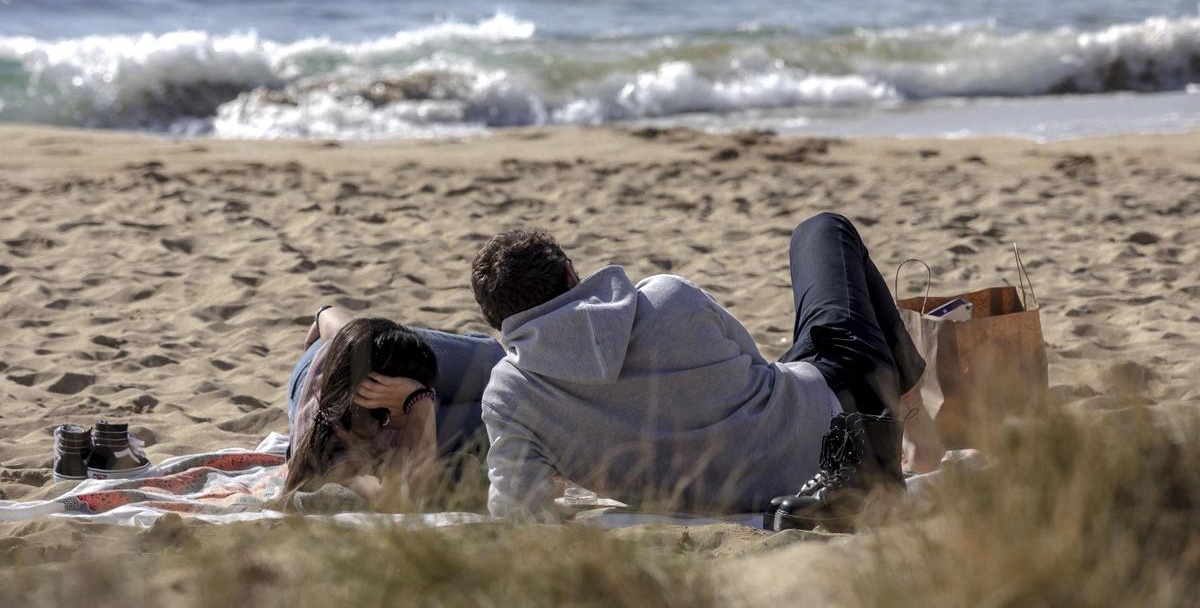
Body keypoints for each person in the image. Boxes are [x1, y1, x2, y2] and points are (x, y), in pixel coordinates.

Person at [471, 212, 925, 528]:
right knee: (823, 229)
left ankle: (904, 401)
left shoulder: (511, 393)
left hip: (758, 497)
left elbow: (517, 509)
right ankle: (909, 392)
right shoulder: (666, 296)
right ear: (572, 274)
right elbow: (755, 365)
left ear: (502, 322)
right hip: (842, 428)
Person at [284, 307, 504, 500]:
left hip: (372, 353)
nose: (427, 394)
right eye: (414, 393)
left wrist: (323, 312)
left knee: (494, 358)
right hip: (366, 377)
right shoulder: (341, 458)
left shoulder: (357, 355)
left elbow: (344, 329)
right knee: (500, 417)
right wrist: (419, 401)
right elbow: (408, 497)